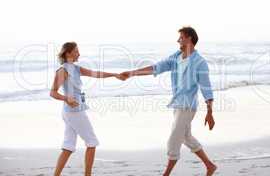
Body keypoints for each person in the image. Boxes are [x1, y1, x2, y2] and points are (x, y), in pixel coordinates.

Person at [120, 27, 217, 176]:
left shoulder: (199, 62)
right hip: (177, 104)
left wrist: (210, 112)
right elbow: (156, 67)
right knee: (186, 137)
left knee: (173, 140)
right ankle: (209, 165)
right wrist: (133, 73)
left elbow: (206, 88)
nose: (178, 40)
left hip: (187, 105)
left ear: (189, 38)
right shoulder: (176, 57)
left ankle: (166, 174)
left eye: (181, 37)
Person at [50, 42, 123, 176]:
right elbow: (53, 92)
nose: (79, 53)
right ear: (68, 53)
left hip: (72, 112)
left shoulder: (76, 69)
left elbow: (95, 74)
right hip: (74, 112)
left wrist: (114, 75)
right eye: (76, 51)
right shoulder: (63, 70)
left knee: (68, 146)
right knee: (91, 142)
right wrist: (66, 98)